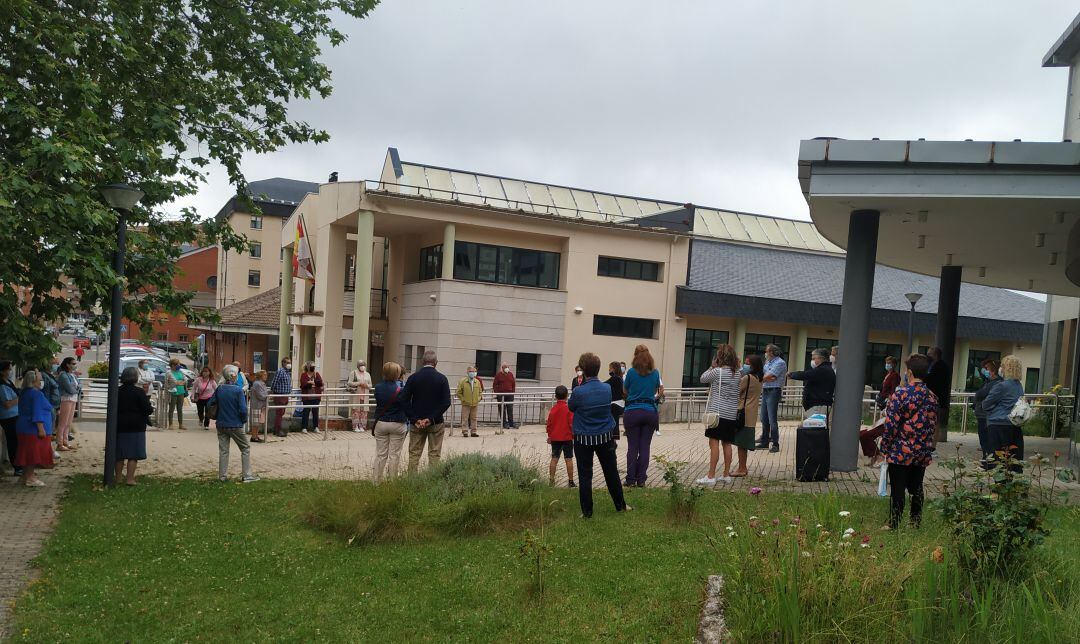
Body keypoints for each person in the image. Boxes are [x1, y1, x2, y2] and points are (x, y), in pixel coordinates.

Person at [879, 354, 938, 529]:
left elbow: (891, 425)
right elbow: (933, 424)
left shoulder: (901, 394)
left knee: (898, 489)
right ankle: (915, 522)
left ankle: (894, 523)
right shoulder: (932, 397)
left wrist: (885, 446)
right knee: (916, 488)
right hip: (922, 452)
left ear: (909, 372)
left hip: (900, 451)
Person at [568, 353, 628, 518]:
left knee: (585, 475)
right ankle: (620, 505)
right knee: (611, 472)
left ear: (583, 370)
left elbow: (571, 407)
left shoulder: (578, 391)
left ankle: (587, 512)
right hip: (605, 436)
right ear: (598, 369)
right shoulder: (606, 388)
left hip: (583, 438)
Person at [399, 350, 451, 474]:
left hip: (416, 423)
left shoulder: (413, 378)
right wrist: (430, 418)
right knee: (434, 454)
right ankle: (431, 480)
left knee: (414, 454)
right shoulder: (442, 379)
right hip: (436, 423)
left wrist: (414, 418)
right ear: (436, 363)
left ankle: (411, 480)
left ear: (422, 362)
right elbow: (446, 402)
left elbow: (403, 400)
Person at [697, 344, 742, 484]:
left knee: (714, 443)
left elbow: (703, 378)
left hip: (717, 413)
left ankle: (710, 476)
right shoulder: (738, 374)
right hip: (731, 414)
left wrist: (712, 366)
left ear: (720, 358)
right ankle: (726, 474)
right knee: (727, 443)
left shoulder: (718, 372)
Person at [209, 365, 257, 483]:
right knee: (245, 448)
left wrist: (216, 415)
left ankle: (222, 476)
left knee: (223, 451)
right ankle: (246, 475)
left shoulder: (219, 389)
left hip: (221, 424)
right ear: (234, 376)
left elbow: (210, 404)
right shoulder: (238, 390)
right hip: (235, 424)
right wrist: (243, 421)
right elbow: (243, 409)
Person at [623, 344, 663, 487]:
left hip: (633, 411)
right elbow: (658, 390)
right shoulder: (656, 372)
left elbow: (625, 391)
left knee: (632, 447)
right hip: (650, 411)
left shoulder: (631, 372)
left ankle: (630, 479)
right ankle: (641, 479)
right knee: (645, 447)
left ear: (635, 356)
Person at [982, 355, 1026, 473]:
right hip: (1014, 426)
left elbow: (985, 404)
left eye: (1002, 366)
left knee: (998, 461)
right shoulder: (1019, 386)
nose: (1000, 369)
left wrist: (994, 407)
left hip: (997, 425)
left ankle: (999, 487)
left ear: (1007, 368)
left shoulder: (1001, 386)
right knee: (1013, 461)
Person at [15, 371, 55, 486]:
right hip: (32, 429)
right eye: (40, 379)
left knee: (26, 452)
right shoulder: (36, 394)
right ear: (33, 381)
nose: (42, 381)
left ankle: (25, 476)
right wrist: (41, 429)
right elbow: (37, 412)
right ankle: (30, 477)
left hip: (23, 426)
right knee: (33, 453)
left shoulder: (25, 392)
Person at [372, 362, 409, 483]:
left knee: (381, 454)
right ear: (397, 374)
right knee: (394, 455)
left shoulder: (378, 387)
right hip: (398, 423)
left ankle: (376, 481)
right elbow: (405, 405)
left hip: (381, 423)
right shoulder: (402, 390)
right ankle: (392, 481)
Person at [116, 366, 153, 485]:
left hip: (119, 425)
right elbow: (148, 410)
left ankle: (117, 478)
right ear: (135, 378)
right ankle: (130, 479)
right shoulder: (139, 392)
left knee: (119, 454)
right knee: (133, 454)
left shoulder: (117, 391)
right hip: (136, 426)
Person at [861, 355, 900, 466]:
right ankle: (874, 455)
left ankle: (878, 456)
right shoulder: (888, 375)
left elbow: (892, 390)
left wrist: (889, 400)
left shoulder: (895, 376)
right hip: (885, 406)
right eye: (886, 362)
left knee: (866, 434)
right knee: (865, 433)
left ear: (894, 364)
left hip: (888, 409)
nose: (887, 365)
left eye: (889, 363)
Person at [733, 354, 763, 477]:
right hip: (751, 414)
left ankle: (742, 469)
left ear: (752, 365)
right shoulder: (758, 378)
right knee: (743, 443)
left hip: (744, 413)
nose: (744, 366)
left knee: (741, 444)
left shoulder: (748, 378)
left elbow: (736, 390)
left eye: (747, 363)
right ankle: (742, 468)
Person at [788, 347, 836, 416]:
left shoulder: (822, 370)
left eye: (814, 358)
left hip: (818, 405)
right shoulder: (824, 369)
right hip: (817, 405)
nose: (812, 361)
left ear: (821, 358)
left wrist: (791, 374)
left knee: (813, 425)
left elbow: (805, 375)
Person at [757, 344, 787, 453]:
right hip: (765, 390)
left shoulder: (780, 362)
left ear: (772, 352)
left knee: (772, 419)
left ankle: (775, 443)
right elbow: (766, 376)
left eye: (767, 351)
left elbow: (770, 376)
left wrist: (765, 378)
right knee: (763, 417)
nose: (765, 353)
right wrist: (766, 378)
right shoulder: (768, 362)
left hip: (774, 390)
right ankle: (764, 441)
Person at [972, 358, 1002, 462]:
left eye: (986, 368)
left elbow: (980, 395)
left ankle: (988, 460)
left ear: (993, 371)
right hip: (982, 414)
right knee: (984, 439)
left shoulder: (996, 383)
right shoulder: (988, 382)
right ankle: (987, 458)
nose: (984, 371)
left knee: (986, 439)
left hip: (986, 415)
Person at [546, 385, 576, 487]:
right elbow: (571, 424)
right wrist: (574, 435)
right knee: (569, 459)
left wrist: (550, 436)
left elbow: (549, 425)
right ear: (567, 396)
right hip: (567, 438)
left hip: (555, 438)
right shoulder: (568, 409)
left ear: (555, 396)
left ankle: (551, 481)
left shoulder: (553, 410)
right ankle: (571, 481)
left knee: (554, 459)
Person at [924, 347, 951, 440]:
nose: (927, 356)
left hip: (937, 398)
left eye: (929, 354)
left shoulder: (940, 366)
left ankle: (933, 444)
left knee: (935, 423)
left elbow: (932, 381)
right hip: (931, 398)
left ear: (935, 355)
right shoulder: (932, 365)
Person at [1, 361, 22, 476]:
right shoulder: (2, 386)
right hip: (8, 417)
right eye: (9, 369)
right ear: (3, 371)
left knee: (17, 441)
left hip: (15, 415)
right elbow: (7, 404)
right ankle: (17, 467)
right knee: (13, 441)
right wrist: (19, 398)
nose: (11, 371)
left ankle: (19, 465)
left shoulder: (8, 382)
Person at [56, 357, 80, 449]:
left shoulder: (73, 375)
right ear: (67, 364)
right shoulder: (63, 375)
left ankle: (65, 442)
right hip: (66, 399)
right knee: (63, 422)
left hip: (73, 399)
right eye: (73, 364)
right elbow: (69, 389)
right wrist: (76, 389)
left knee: (69, 422)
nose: (75, 365)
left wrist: (75, 388)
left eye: (75, 363)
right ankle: (59, 443)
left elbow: (79, 385)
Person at [455, 366, 483, 437]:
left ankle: (473, 432)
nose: (473, 373)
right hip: (466, 403)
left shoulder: (477, 382)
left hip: (475, 403)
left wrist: (478, 398)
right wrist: (463, 399)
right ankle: (465, 431)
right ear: (467, 372)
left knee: (474, 418)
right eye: (471, 371)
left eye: (474, 371)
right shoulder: (463, 381)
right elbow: (458, 392)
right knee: (465, 418)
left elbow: (480, 392)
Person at [346, 360, 373, 433]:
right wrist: (359, 383)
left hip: (365, 396)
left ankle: (362, 426)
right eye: (361, 365)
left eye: (363, 365)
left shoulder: (367, 374)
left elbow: (371, 385)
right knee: (356, 411)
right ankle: (355, 426)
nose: (362, 367)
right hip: (356, 395)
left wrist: (366, 385)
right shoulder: (353, 373)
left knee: (363, 411)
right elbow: (349, 383)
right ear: (358, 366)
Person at [269, 357, 293, 437]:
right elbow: (274, 382)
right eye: (287, 362)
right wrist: (272, 392)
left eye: (290, 362)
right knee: (279, 413)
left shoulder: (287, 372)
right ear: (283, 363)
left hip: (285, 395)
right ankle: (277, 430)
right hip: (280, 395)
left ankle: (277, 429)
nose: (289, 364)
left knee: (281, 413)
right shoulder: (280, 371)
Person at [299, 362, 323, 433]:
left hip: (316, 396)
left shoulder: (316, 374)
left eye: (314, 367)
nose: (313, 368)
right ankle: (304, 427)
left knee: (315, 412)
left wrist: (311, 382)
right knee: (306, 412)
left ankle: (315, 427)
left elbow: (320, 382)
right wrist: (310, 383)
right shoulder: (304, 375)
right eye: (312, 366)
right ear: (308, 367)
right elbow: (303, 384)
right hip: (307, 397)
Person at [492, 362, 517, 432]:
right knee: (502, 409)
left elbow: (513, 384)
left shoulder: (510, 374)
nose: (507, 368)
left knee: (510, 409)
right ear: (502, 368)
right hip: (501, 394)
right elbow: (495, 385)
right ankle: (504, 423)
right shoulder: (498, 375)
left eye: (508, 367)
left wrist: (513, 393)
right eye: (505, 367)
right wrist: (497, 393)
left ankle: (511, 423)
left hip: (510, 394)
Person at [605, 361, 625, 439]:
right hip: (619, 403)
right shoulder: (618, 378)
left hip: (616, 403)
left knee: (614, 421)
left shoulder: (615, 378)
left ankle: (613, 438)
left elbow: (605, 384)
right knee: (614, 420)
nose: (609, 370)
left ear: (614, 369)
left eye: (610, 368)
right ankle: (614, 438)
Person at [166, 358, 187, 429]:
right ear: (172, 365)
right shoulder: (169, 373)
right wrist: (180, 382)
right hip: (172, 392)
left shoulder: (180, 372)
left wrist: (180, 382)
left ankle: (181, 424)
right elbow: (175, 382)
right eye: (176, 364)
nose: (178, 365)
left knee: (180, 409)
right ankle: (170, 424)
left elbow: (185, 380)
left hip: (181, 392)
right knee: (171, 409)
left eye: (179, 364)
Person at [249, 370, 268, 443]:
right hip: (256, 405)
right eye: (264, 375)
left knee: (258, 422)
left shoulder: (262, 383)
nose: (266, 376)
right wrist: (267, 397)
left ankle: (256, 436)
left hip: (261, 405)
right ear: (260, 376)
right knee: (255, 422)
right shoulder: (257, 384)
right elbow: (260, 395)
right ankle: (253, 437)